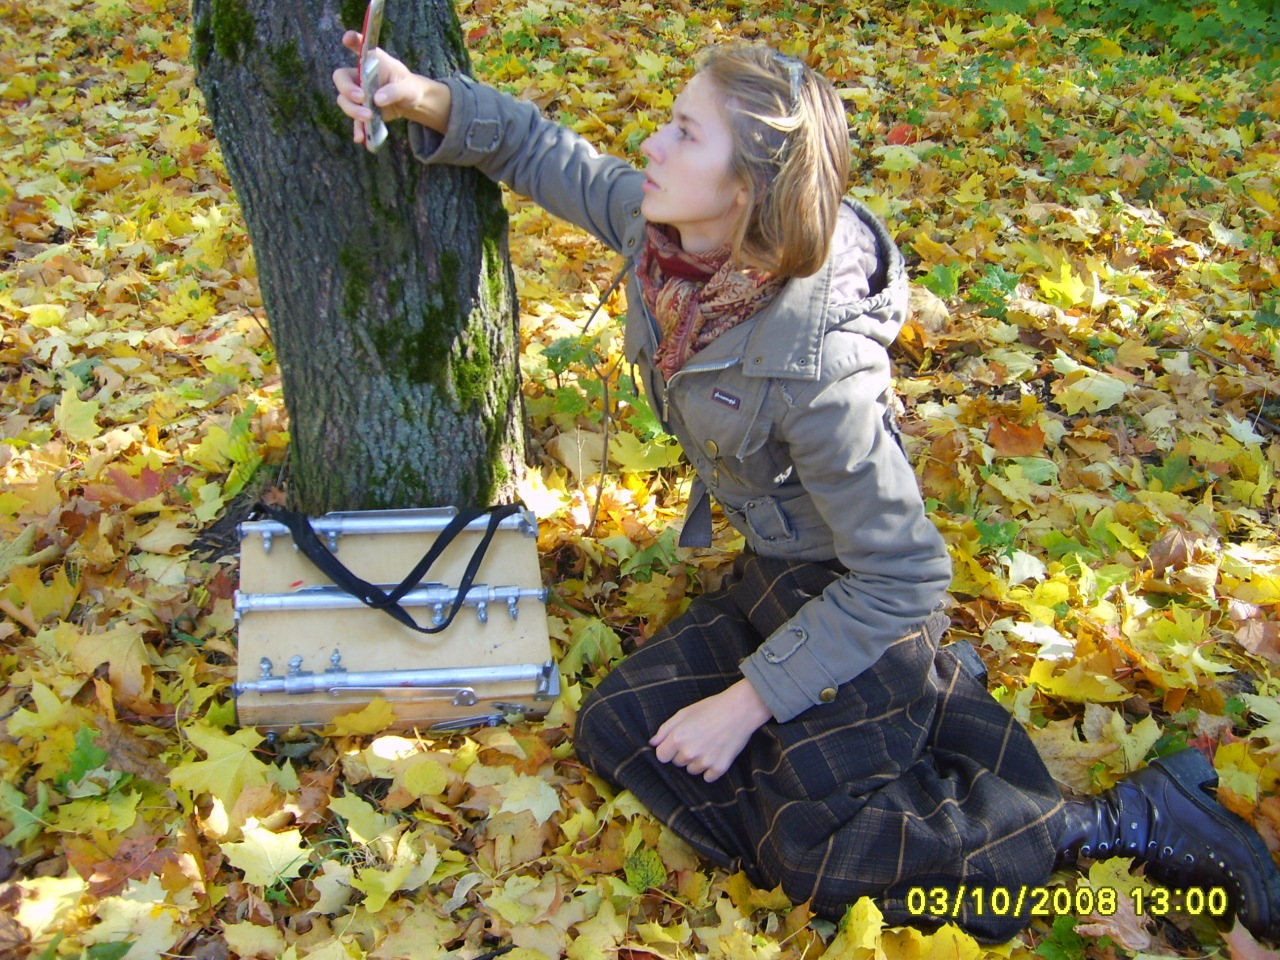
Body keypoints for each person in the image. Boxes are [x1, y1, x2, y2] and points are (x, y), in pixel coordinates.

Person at [332, 36, 1280, 942]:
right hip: (781, 575)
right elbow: (549, 155)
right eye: (668, 123)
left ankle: (1109, 821)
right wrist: (422, 98)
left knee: (812, 854)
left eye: (683, 133)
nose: (651, 145)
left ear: (746, 190)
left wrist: (748, 702)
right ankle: (915, 721)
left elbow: (904, 574)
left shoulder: (821, 366)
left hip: (866, 599)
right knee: (623, 728)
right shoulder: (673, 245)